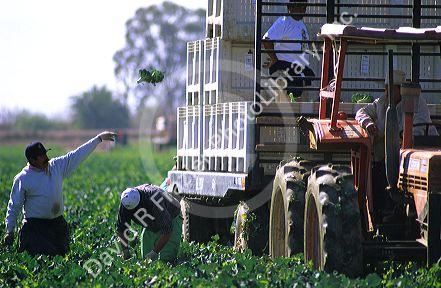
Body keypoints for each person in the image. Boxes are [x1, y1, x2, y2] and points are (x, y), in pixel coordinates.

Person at [3, 131, 117, 255]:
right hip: (35, 229)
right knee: (40, 264)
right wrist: (10, 230)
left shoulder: (56, 166)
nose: (46, 157)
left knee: (60, 261)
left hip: (57, 226)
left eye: (45, 153)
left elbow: (77, 155)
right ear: (32, 160)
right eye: (41, 156)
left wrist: (98, 139)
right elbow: (14, 206)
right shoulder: (23, 178)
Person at [355, 70, 438, 222]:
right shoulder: (382, 103)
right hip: (388, 156)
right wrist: (368, 123)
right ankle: (383, 212)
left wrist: (404, 135)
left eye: (391, 88)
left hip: (413, 149)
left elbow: (420, 126)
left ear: (401, 89)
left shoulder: (417, 103)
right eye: (386, 88)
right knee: (379, 173)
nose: (387, 91)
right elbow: (361, 112)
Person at [262, 0, 315, 100]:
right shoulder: (284, 21)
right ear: (290, 7)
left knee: (299, 106)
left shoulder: (301, 24)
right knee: (285, 107)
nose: (303, 10)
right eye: (299, 7)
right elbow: (266, 40)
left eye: (304, 7)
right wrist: (274, 59)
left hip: (298, 72)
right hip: (285, 71)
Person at [117, 183, 181, 262]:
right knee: (146, 261)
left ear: (139, 202)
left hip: (172, 218)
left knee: (167, 259)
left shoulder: (155, 199)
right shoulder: (126, 201)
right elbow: (121, 229)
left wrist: (154, 252)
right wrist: (125, 251)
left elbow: (167, 230)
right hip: (150, 226)